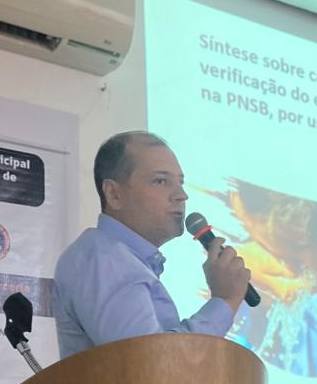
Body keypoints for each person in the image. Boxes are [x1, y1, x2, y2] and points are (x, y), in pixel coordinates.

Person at [53, 131, 251, 358]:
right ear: (114, 194)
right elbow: (150, 363)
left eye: (180, 182)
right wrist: (224, 300)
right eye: (161, 181)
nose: (181, 195)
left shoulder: (120, 259)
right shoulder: (104, 258)